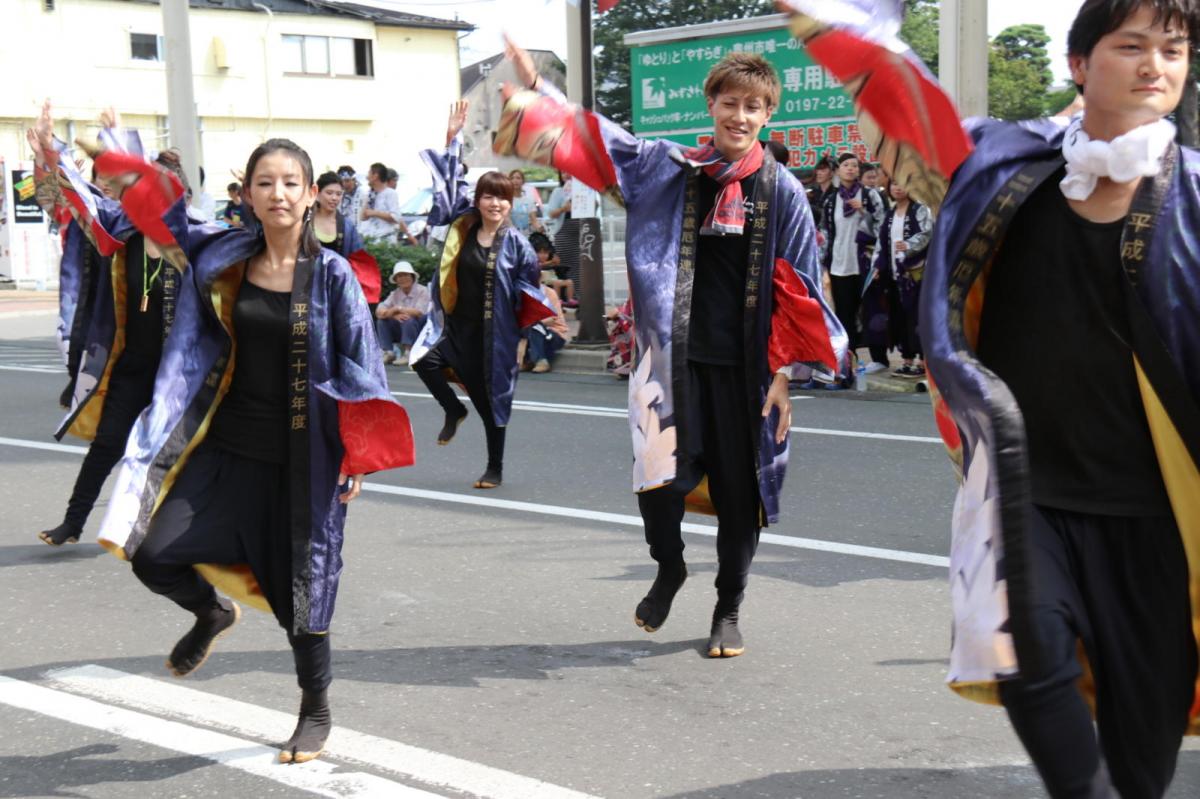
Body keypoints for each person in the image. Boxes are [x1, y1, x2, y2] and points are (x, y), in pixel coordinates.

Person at [919, 2, 1200, 796]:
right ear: (1079, 64)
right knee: (1029, 656)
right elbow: (902, 104)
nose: (1156, 65)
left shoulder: (1196, 201)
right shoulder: (1005, 178)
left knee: (1144, 759)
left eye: (1173, 49)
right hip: (1030, 495)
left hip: (1160, 520)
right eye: (1131, 46)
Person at [498, 40, 845, 657]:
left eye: (754, 107)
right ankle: (670, 565)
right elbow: (606, 146)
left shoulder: (782, 191)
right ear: (711, 104)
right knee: (659, 483)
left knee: (742, 497)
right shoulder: (674, 169)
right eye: (730, 102)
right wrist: (542, 101)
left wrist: (783, 374)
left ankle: (728, 608)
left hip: (748, 372)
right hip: (671, 362)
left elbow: (802, 285)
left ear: (769, 116)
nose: (740, 115)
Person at [94, 136, 414, 766]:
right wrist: (116, 165)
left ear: (310, 191)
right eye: (265, 183)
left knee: (304, 590)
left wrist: (357, 453)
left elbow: (363, 365)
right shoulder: (223, 257)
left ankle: (315, 709)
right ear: (248, 194)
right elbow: (162, 217)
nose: (279, 194)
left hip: (304, 460)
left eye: (291, 182)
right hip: (225, 451)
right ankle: (210, 612)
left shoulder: (332, 275)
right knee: (152, 553)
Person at [28, 104, 190, 549]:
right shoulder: (119, 231)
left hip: (181, 372)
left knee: (175, 453)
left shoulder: (194, 243)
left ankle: (171, 532)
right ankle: (74, 521)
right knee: (107, 444)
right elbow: (72, 198)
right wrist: (50, 153)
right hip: (128, 361)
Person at [411, 99, 553, 490]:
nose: (495, 203)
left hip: (497, 336)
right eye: (488, 196)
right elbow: (448, 185)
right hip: (456, 327)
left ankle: (495, 466)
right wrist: (451, 137)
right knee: (423, 361)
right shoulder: (464, 225)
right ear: (479, 201)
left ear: (511, 203)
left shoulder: (520, 245)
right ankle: (453, 408)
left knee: (492, 404)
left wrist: (525, 339)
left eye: (502, 197)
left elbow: (529, 293)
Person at [820, 152, 886, 378]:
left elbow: (882, 227)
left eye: (854, 166)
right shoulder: (831, 200)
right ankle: (848, 360)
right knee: (845, 314)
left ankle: (879, 358)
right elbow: (826, 233)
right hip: (840, 264)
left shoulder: (870, 196)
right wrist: (823, 263)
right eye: (846, 165)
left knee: (871, 311)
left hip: (865, 264)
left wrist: (863, 211)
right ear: (837, 170)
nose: (851, 169)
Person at [874, 181, 931, 378]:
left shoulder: (920, 209)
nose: (898, 188)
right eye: (894, 184)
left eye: (902, 183)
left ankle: (923, 361)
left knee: (917, 316)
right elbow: (881, 243)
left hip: (915, 274)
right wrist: (877, 266)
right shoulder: (889, 214)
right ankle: (906, 359)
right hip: (894, 274)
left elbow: (927, 233)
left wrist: (908, 245)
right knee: (899, 316)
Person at [313, 171, 381, 317]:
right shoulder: (304, 222)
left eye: (338, 194)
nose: (334, 198)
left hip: (336, 288)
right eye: (329, 193)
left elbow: (358, 260)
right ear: (317, 193)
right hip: (307, 286)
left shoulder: (346, 226)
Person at [375, 260, 429, 366]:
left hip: (421, 327)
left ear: (412, 277)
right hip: (403, 327)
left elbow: (418, 312)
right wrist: (393, 315)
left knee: (407, 318)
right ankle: (388, 352)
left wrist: (397, 309)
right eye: (399, 276)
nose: (403, 278)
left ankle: (409, 353)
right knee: (382, 321)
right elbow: (379, 311)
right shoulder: (395, 294)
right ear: (396, 280)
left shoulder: (423, 290)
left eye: (405, 275)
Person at [523, 283, 569, 373]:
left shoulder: (548, 293)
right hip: (532, 331)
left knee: (535, 326)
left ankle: (541, 360)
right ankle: (530, 360)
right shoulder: (523, 293)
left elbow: (551, 319)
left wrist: (533, 322)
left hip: (554, 333)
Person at [529, 231, 576, 307]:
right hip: (543, 281)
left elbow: (556, 263)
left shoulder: (549, 261)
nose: (544, 255)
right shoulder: (534, 261)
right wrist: (550, 262)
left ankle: (570, 299)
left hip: (552, 279)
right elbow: (539, 265)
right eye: (540, 253)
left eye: (546, 253)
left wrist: (555, 261)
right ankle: (557, 300)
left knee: (569, 282)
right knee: (556, 283)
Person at [359, 162, 403, 243]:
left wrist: (375, 213)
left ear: (375, 176)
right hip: (369, 238)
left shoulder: (390, 193)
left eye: (369, 174)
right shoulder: (368, 194)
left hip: (385, 240)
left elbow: (396, 217)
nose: (367, 177)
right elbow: (362, 217)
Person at [507, 169, 541, 235]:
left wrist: (540, 228)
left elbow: (534, 220)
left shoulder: (529, 200)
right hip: (512, 236)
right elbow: (507, 221)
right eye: (512, 178)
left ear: (523, 181)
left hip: (526, 236)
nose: (515, 180)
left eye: (518, 178)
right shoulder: (506, 200)